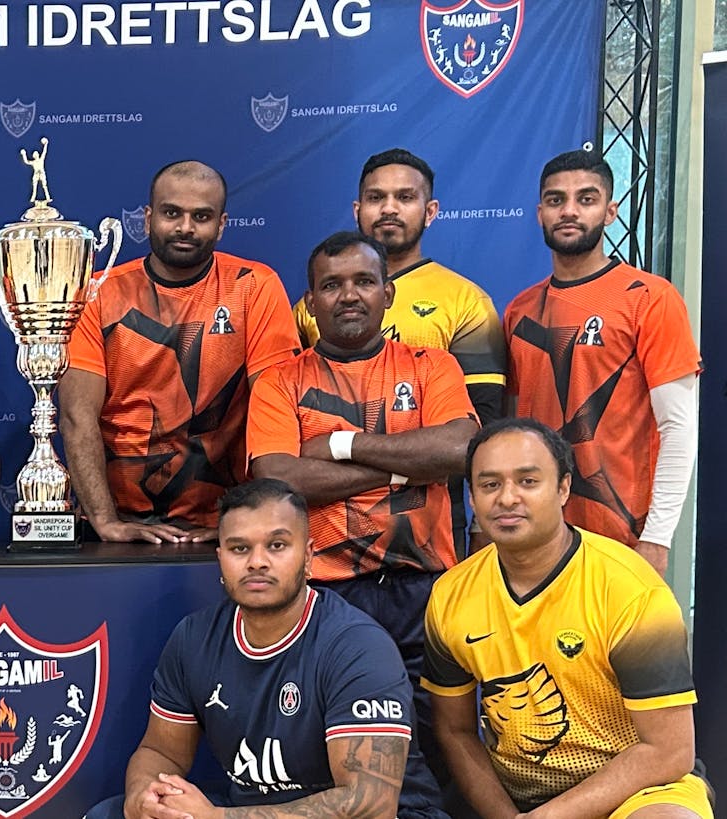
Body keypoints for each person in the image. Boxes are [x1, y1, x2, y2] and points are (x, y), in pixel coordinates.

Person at [247, 231, 480, 809]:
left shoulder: (432, 366)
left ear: (388, 293)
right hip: (328, 596)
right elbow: (278, 480)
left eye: (363, 281)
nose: (348, 295)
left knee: (440, 744)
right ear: (310, 302)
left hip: (426, 588)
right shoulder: (280, 380)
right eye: (331, 285)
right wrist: (406, 468)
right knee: (338, 754)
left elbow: (458, 450)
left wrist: (340, 446)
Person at [87, 478, 437, 819]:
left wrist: (219, 818)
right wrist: (144, 797)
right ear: (221, 558)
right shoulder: (194, 637)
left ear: (308, 556)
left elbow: (371, 806)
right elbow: (161, 751)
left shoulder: (357, 646)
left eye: (277, 545)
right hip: (242, 808)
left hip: (392, 814)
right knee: (108, 814)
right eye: (240, 548)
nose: (257, 562)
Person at [424, 418, 710, 818]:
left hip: (637, 791)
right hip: (519, 799)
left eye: (528, 481)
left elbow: (670, 751)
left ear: (563, 488)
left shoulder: (629, 588)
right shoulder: (450, 595)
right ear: (471, 495)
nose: (507, 498)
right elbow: (455, 731)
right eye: (489, 485)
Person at [60, 160, 301, 544]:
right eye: (172, 213)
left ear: (221, 225)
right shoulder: (97, 293)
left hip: (225, 522)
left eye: (201, 216)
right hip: (118, 521)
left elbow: (275, 411)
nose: (185, 227)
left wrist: (251, 518)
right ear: (147, 218)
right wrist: (106, 522)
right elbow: (77, 416)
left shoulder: (254, 286)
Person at [298, 148, 506, 556]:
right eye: (376, 198)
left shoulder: (466, 301)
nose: (389, 208)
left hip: (429, 529)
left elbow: (483, 431)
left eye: (405, 197)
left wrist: (483, 522)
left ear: (430, 211)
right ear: (357, 209)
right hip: (328, 529)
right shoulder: (311, 310)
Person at [504, 149, 700, 577]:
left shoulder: (650, 298)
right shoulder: (519, 311)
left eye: (586, 199)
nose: (569, 211)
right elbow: (513, 429)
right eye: (556, 200)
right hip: (535, 538)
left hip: (621, 540)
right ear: (539, 213)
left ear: (611, 211)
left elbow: (679, 428)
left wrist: (658, 537)